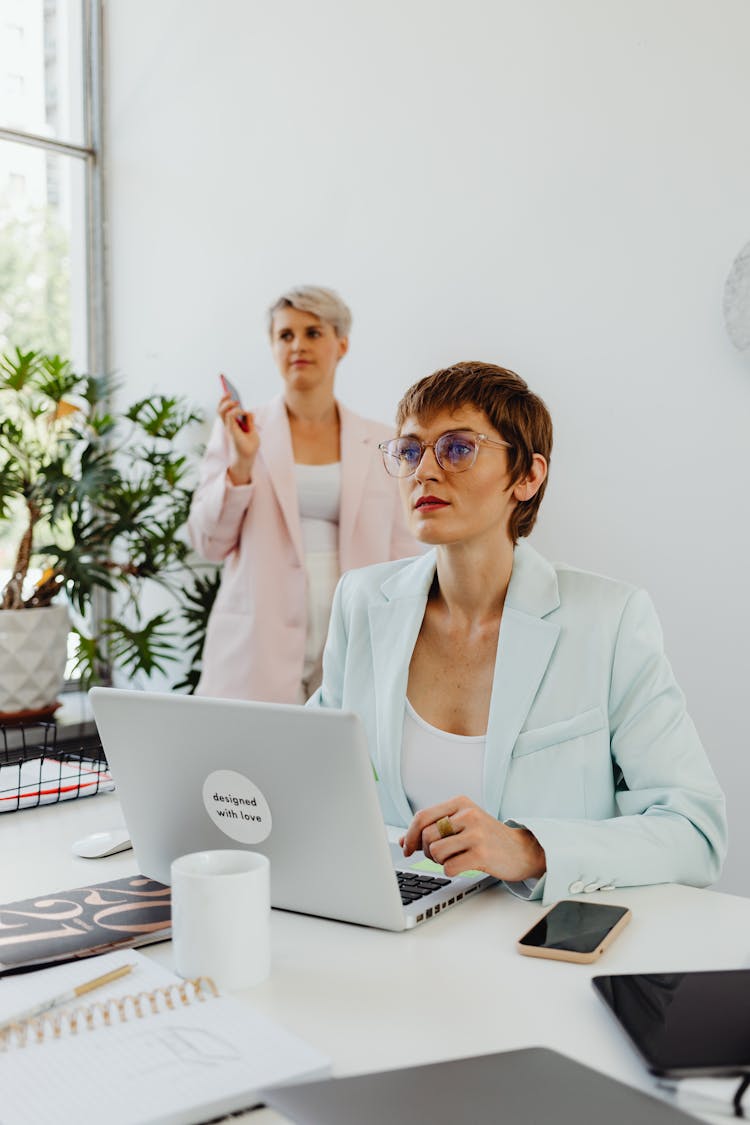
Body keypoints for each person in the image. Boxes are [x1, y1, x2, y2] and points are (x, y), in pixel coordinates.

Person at [310, 361, 727, 903]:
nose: (425, 471)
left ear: (528, 476)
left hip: (537, 943)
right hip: (391, 925)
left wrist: (531, 849)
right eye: (411, 450)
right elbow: (314, 778)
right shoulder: (361, 602)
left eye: (457, 448)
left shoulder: (610, 619)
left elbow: (695, 831)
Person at [188, 286, 418, 704]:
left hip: (357, 634)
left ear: (341, 344)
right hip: (259, 641)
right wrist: (241, 464)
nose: (298, 346)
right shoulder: (240, 431)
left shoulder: (383, 441)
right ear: (273, 346)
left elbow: (405, 551)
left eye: (313, 333)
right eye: (286, 335)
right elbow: (208, 541)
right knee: (255, 762)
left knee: (342, 762)